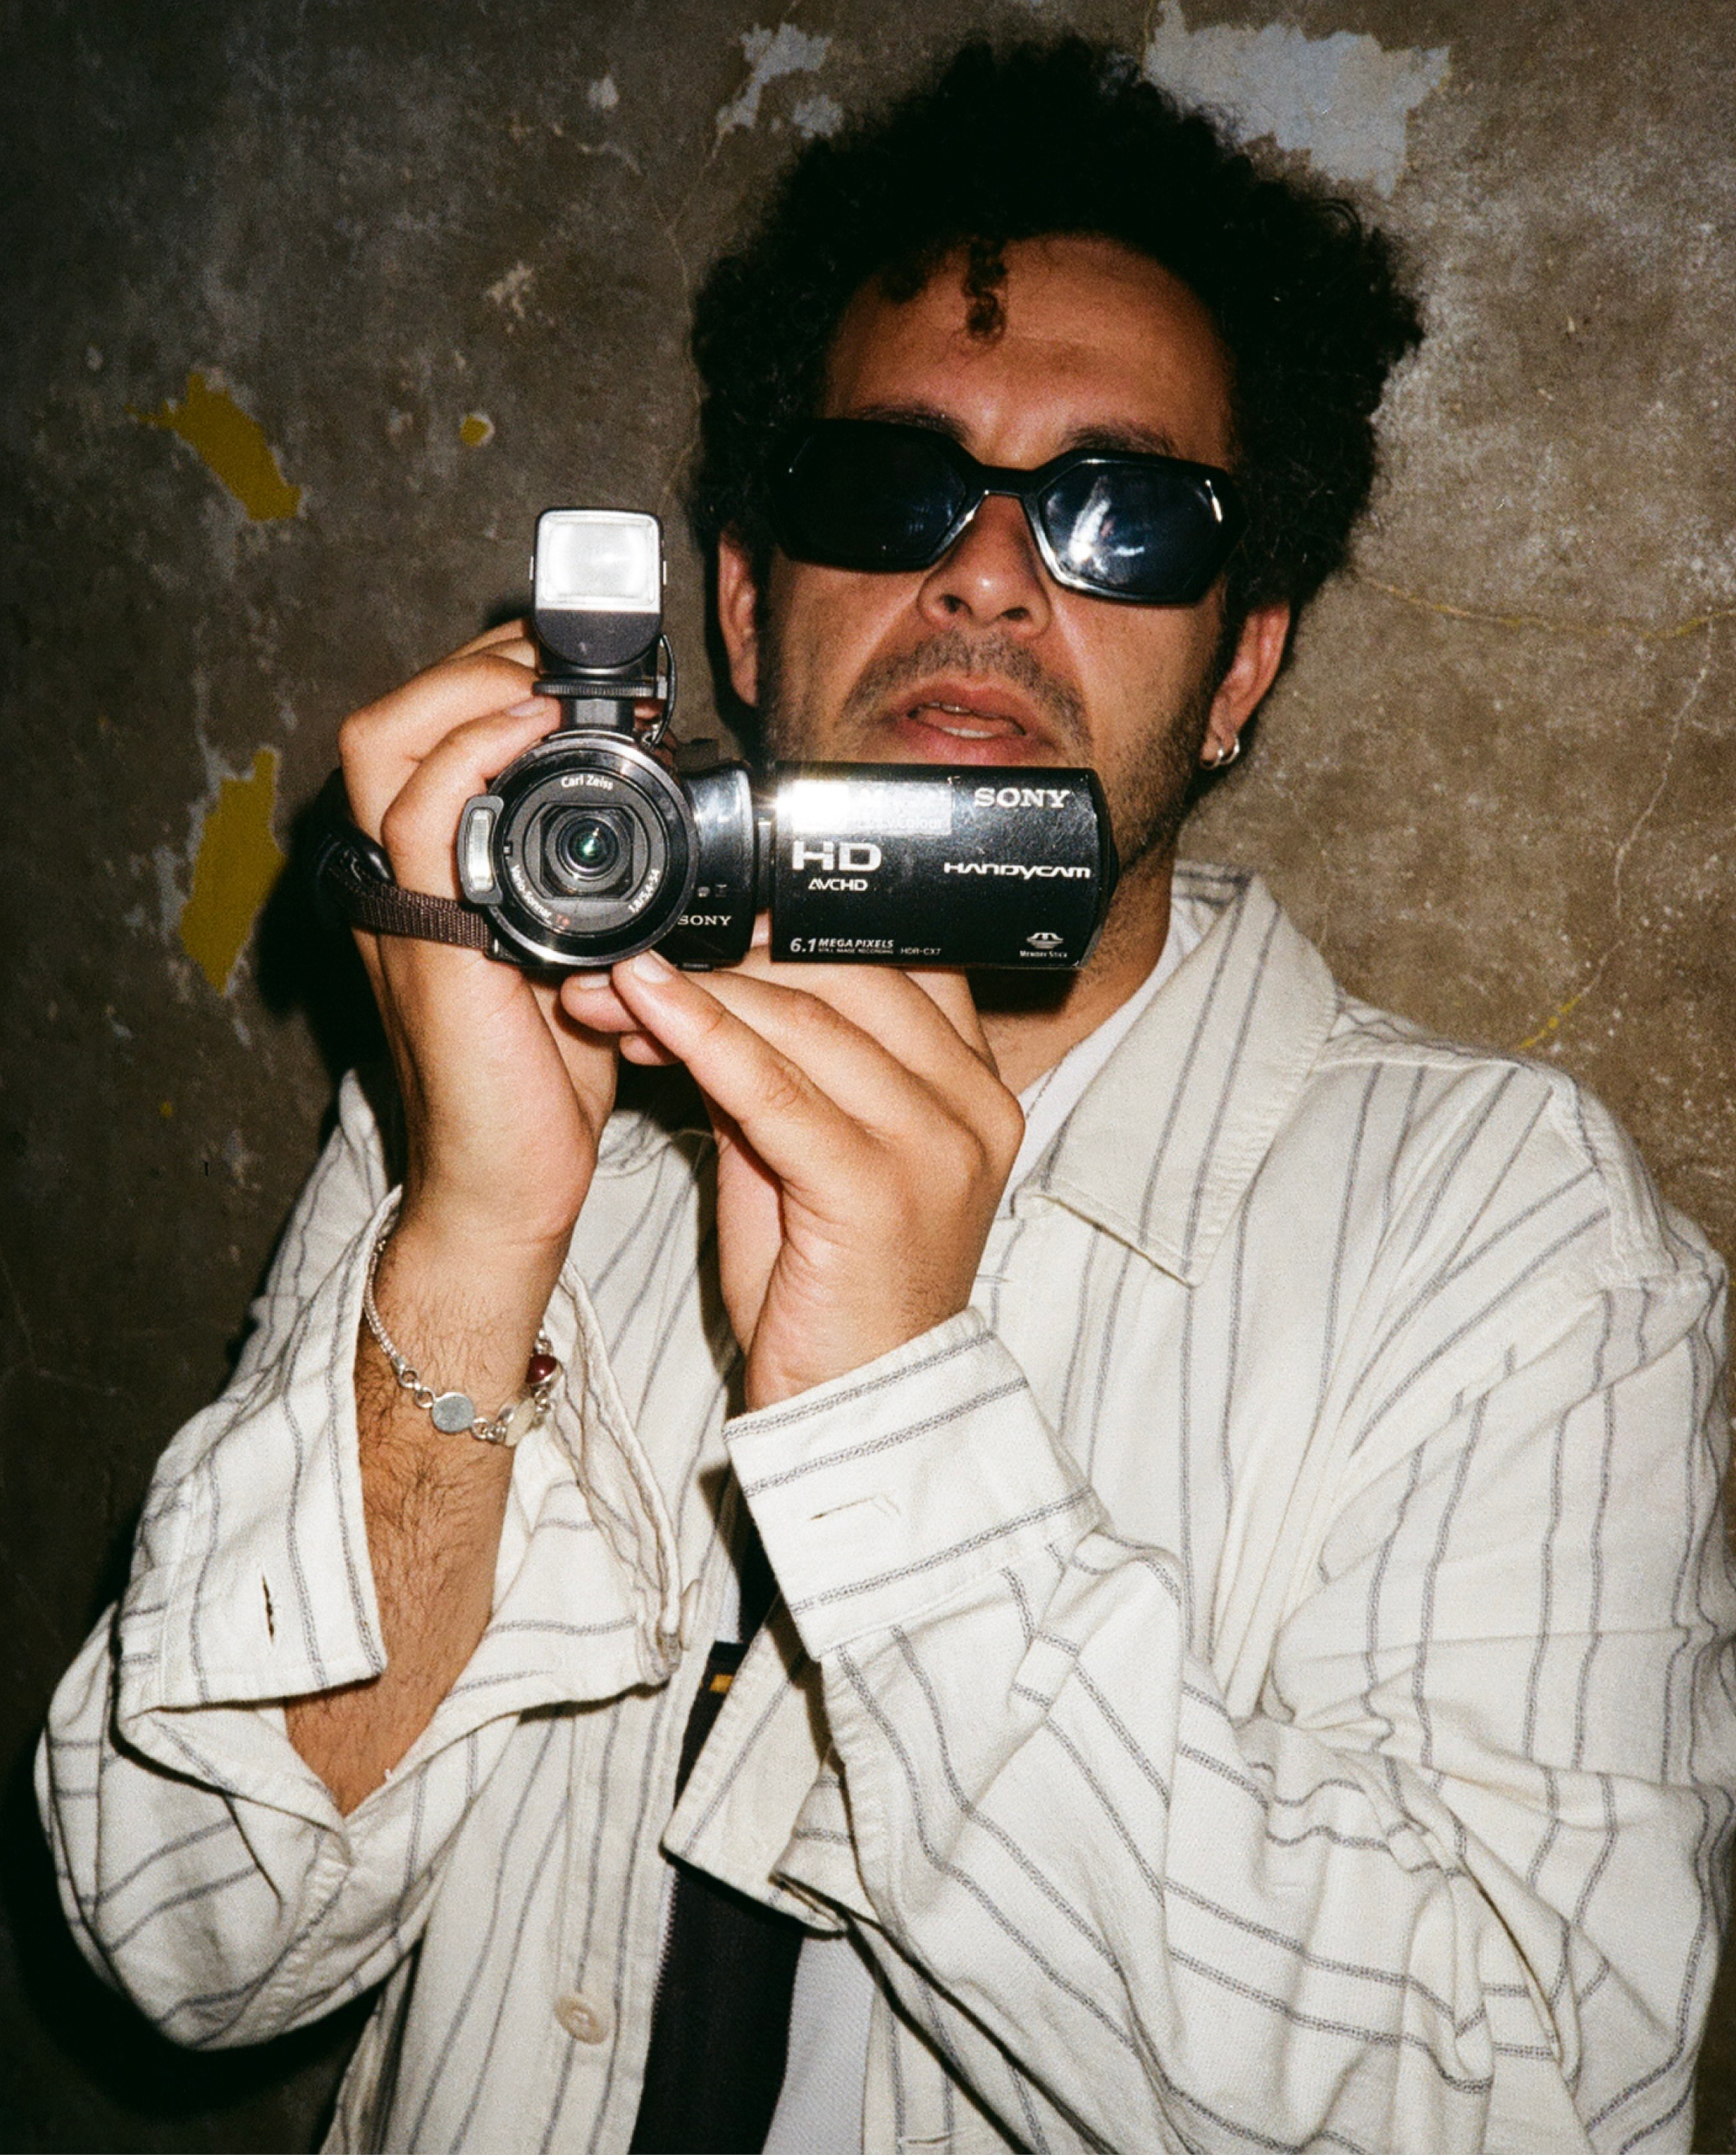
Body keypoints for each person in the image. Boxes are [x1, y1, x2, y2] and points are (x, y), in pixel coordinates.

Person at [40, 37, 1736, 2155]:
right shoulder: (499, 1093)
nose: (993, 574)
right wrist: (476, 1240)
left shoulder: (1502, 1233)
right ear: (746, 607)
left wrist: (894, 1420)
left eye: (1126, 517)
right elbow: (188, 1941)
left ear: (1241, 664)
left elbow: (1535, 2105)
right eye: (888, 490)